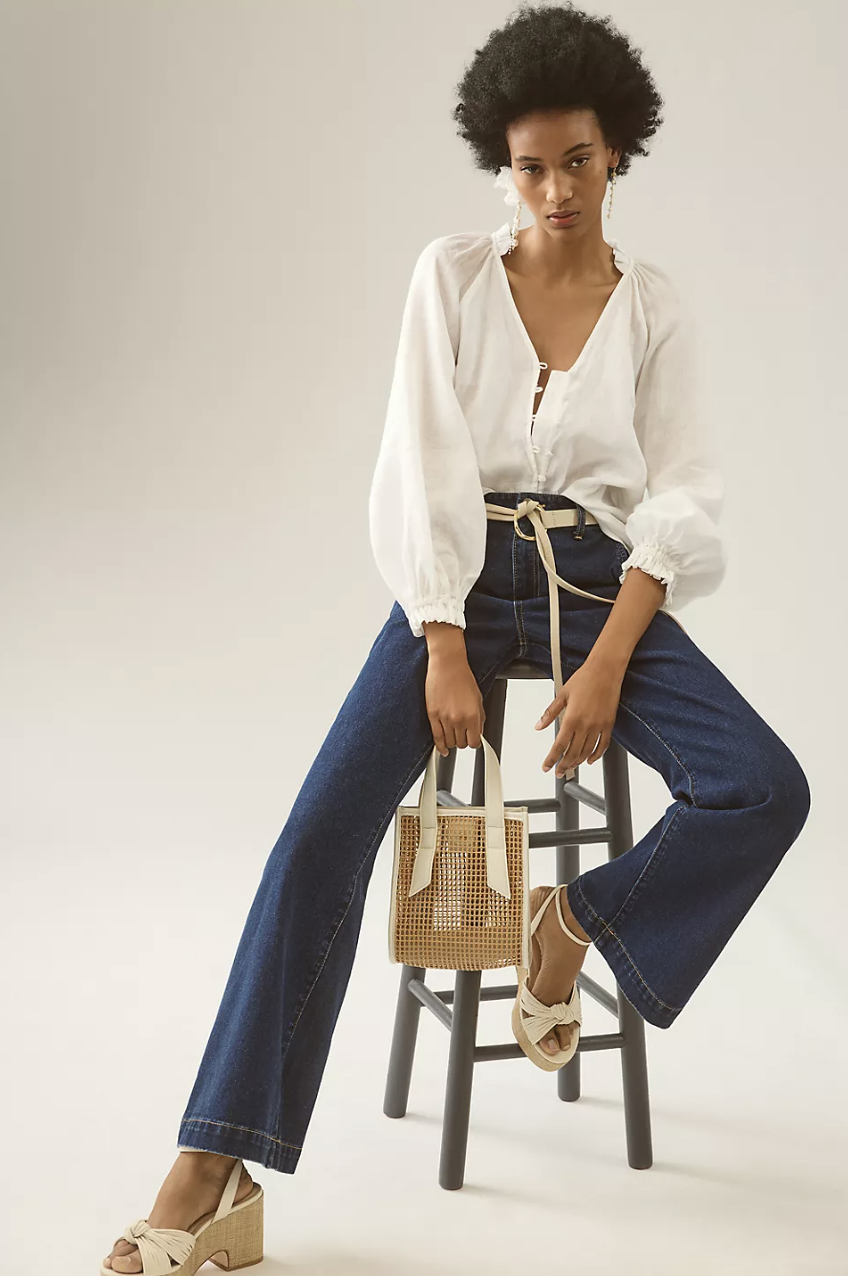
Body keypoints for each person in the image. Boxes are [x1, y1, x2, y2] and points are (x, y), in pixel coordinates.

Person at [101, 3, 810, 1271]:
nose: (553, 189)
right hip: (461, 578)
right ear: (503, 162)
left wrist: (604, 660)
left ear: (616, 155)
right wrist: (439, 640)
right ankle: (213, 1165)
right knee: (317, 835)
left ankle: (570, 924)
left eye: (576, 161)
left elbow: (681, 496)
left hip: (601, 584)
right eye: (530, 165)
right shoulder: (451, 277)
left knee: (761, 787)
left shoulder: (654, 307)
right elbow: (420, 468)